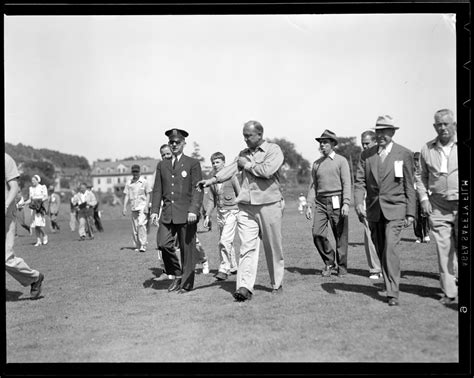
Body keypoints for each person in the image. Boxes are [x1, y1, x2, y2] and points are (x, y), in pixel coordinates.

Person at [198, 120, 285, 302]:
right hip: (246, 207)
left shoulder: (273, 150)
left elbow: (268, 171)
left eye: (248, 135)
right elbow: (229, 169)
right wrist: (211, 181)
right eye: (243, 135)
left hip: (269, 204)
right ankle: (244, 287)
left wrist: (246, 165)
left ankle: (276, 283)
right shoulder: (242, 154)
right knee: (246, 247)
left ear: (259, 135)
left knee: (272, 247)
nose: (245, 139)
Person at [354, 115, 416, 307]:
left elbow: (409, 185)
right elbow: (360, 181)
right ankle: (389, 281)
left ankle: (392, 293)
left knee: (390, 249)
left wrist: (411, 212)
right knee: (381, 250)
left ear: (393, 132)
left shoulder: (404, 153)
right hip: (374, 211)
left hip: (396, 209)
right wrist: (358, 203)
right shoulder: (366, 155)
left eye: (384, 131)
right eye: (378, 131)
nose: (380, 135)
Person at [150, 129, 204, 293]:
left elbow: (198, 189)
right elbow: (157, 190)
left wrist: (194, 209)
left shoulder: (192, 163)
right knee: (162, 243)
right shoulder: (162, 165)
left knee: (187, 250)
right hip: (167, 213)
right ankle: (176, 274)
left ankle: (186, 285)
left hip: (187, 213)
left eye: (177, 142)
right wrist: (154, 210)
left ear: (183, 144)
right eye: (171, 142)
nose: (174, 145)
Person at [415, 109, 458, 305]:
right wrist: (423, 199)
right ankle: (449, 292)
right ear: (434, 127)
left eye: (446, 123)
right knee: (444, 249)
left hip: (462, 202)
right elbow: (420, 176)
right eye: (439, 124)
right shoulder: (427, 149)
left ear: (454, 125)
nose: (443, 127)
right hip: (438, 205)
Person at [305, 130, 351, 277]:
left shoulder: (341, 161)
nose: (322, 145)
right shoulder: (316, 164)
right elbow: (313, 186)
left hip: (337, 200)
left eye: (325, 142)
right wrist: (309, 204)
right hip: (320, 202)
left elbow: (347, 183)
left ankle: (342, 267)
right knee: (317, 233)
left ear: (333, 144)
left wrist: (346, 203)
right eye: (320, 142)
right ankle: (329, 262)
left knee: (340, 236)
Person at [5, 153, 44, 299]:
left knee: (6, 258)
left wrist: (6, 203)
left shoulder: (6, 159)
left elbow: (14, 187)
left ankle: (34, 278)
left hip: (6, 213)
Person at [203, 152, 240, 281]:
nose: (215, 165)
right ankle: (234, 266)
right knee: (227, 241)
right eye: (213, 162)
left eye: (217, 162)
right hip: (220, 213)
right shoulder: (213, 180)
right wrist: (207, 215)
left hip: (232, 212)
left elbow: (240, 193)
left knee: (224, 241)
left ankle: (224, 269)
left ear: (224, 163)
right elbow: (211, 200)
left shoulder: (231, 176)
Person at [359, 130, 383, 280]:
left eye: (367, 143)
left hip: (387, 203)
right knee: (369, 235)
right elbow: (359, 182)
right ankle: (375, 269)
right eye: (362, 144)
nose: (364, 146)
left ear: (375, 141)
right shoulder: (363, 157)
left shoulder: (385, 156)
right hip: (369, 203)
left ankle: (386, 266)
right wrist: (359, 203)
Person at [123, 164, 152, 252]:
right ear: (132, 172)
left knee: (141, 224)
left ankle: (143, 245)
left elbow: (148, 194)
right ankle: (138, 245)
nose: (135, 173)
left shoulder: (144, 182)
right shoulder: (129, 183)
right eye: (134, 171)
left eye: (137, 171)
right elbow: (127, 195)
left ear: (140, 172)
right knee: (135, 227)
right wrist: (124, 207)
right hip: (133, 207)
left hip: (142, 206)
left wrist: (146, 206)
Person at [23, 174, 49, 247]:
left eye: (34, 180)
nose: (32, 182)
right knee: (35, 225)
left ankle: (44, 235)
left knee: (39, 224)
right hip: (34, 208)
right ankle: (38, 240)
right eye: (32, 181)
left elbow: (46, 197)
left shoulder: (42, 187)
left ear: (38, 180)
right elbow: (30, 199)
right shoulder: (31, 188)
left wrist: (39, 202)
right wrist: (24, 203)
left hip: (40, 208)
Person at [413, 152, 430, 243]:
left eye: (417, 160)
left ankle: (426, 234)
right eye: (414, 160)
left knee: (424, 214)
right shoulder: (411, 170)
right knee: (415, 216)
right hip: (414, 194)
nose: (416, 162)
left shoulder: (424, 171)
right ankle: (419, 236)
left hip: (423, 194)